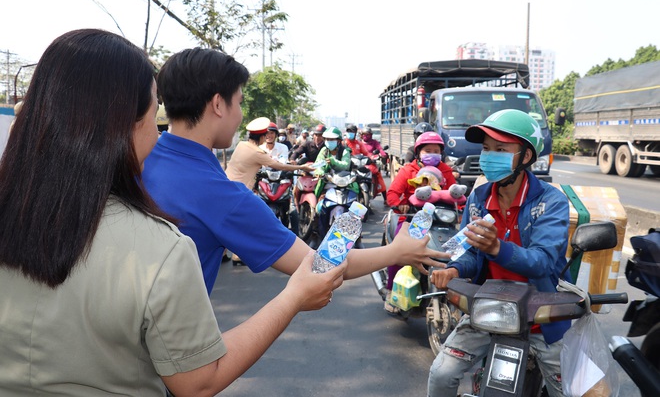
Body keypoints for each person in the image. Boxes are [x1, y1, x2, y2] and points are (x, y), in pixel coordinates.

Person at [0, 29, 344, 397]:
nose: (157, 129)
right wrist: (295, 297)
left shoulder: (19, 211)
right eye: (151, 113)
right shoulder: (164, 245)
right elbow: (198, 381)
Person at [142, 48, 448, 297]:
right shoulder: (222, 196)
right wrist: (397, 251)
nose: (240, 115)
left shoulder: (138, 159)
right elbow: (321, 264)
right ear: (219, 104)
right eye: (239, 103)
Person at [427, 109, 570, 397]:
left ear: (526, 156)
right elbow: (467, 252)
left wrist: (497, 248)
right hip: (488, 310)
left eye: (501, 149)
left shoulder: (551, 201)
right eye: (486, 149)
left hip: (540, 315)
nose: (489, 156)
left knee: (571, 390)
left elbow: (543, 262)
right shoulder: (479, 198)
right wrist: (453, 269)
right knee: (441, 374)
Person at [384, 131, 458, 308]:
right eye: (427, 150)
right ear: (418, 153)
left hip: (441, 219)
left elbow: (454, 194)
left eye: (436, 150)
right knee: (398, 253)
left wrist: (461, 209)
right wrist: (401, 204)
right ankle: (390, 291)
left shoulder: (445, 170)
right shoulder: (408, 170)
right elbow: (392, 194)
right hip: (411, 217)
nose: (432, 154)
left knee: (457, 250)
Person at [226, 117, 313, 189]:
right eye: (266, 134)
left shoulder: (241, 144)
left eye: (271, 133)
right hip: (240, 191)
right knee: (264, 210)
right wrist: (302, 167)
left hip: (227, 184)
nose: (268, 137)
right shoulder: (257, 152)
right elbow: (281, 166)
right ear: (262, 137)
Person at [312, 126, 357, 200]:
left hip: (345, 184)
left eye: (331, 139)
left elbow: (345, 165)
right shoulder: (324, 151)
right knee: (320, 206)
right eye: (327, 139)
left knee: (354, 204)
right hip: (327, 184)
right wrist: (320, 171)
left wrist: (333, 162)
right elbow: (318, 164)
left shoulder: (345, 151)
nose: (328, 141)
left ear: (338, 141)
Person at [344, 123, 387, 196]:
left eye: (352, 131)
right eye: (349, 131)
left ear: (355, 133)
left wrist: (372, 157)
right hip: (347, 167)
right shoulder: (344, 143)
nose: (350, 133)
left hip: (358, 166)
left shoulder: (359, 143)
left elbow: (366, 153)